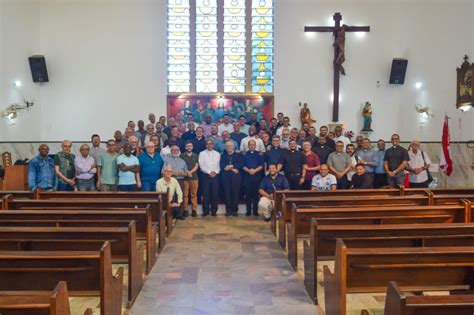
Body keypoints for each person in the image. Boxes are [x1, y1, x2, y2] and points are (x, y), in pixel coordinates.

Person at [220, 141, 243, 216]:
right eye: (227, 146)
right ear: (225, 148)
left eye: (230, 146)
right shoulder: (223, 155)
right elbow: (222, 165)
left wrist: (230, 166)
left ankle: (235, 210)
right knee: (227, 193)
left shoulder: (238, 155)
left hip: (236, 177)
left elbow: (240, 164)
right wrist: (232, 168)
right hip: (226, 177)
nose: (229, 147)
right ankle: (228, 210)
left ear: (233, 147)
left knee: (235, 193)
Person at [198, 140, 221, 216]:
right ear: (205, 145)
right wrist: (209, 172)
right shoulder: (202, 153)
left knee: (215, 193)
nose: (209, 145)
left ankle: (214, 210)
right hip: (205, 175)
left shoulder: (217, 154)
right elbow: (201, 164)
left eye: (211, 144)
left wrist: (215, 172)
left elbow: (219, 165)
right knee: (205, 193)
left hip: (215, 175)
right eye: (207, 144)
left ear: (213, 145)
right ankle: (206, 211)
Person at [242, 140, 264, 216]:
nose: (252, 146)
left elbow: (262, 165)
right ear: (248, 146)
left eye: (253, 145)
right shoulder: (244, 155)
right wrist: (249, 171)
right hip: (247, 177)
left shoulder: (260, 154)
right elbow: (243, 165)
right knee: (247, 195)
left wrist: (255, 170)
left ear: (255, 146)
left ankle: (255, 211)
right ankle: (248, 211)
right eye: (250, 145)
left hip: (257, 177)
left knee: (256, 195)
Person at [181, 141, 199, 217]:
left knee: (194, 194)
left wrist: (190, 172)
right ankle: (185, 210)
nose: (189, 147)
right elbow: (181, 165)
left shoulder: (196, 155)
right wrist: (187, 172)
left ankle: (194, 210)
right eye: (187, 146)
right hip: (185, 178)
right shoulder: (182, 155)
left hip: (194, 177)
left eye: (190, 146)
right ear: (185, 147)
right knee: (185, 195)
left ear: (192, 147)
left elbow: (197, 165)